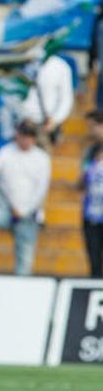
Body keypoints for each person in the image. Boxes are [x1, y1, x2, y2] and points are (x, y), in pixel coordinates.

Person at [0, 123, 51, 276]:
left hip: (28, 214)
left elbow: (40, 191)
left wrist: (24, 210)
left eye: (28, 136)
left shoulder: (42, 158)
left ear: (33, 138)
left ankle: (22, 282)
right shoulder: (7, 151)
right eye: (22, 135)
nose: (24, 140)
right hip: (4, 209)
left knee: (25, 257)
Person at [19, 54, 74, 146]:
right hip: (20, 123)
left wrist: (55, 120)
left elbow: (66, 98)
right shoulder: (17, 63)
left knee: (42, 158)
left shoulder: (60, 66)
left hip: (45, 124)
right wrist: (21, 116)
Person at [83, 111, 103, 278]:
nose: (90, 130)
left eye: (92, 126)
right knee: (94, 260)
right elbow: (82, 180)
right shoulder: (90, 151)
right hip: (92, 214)